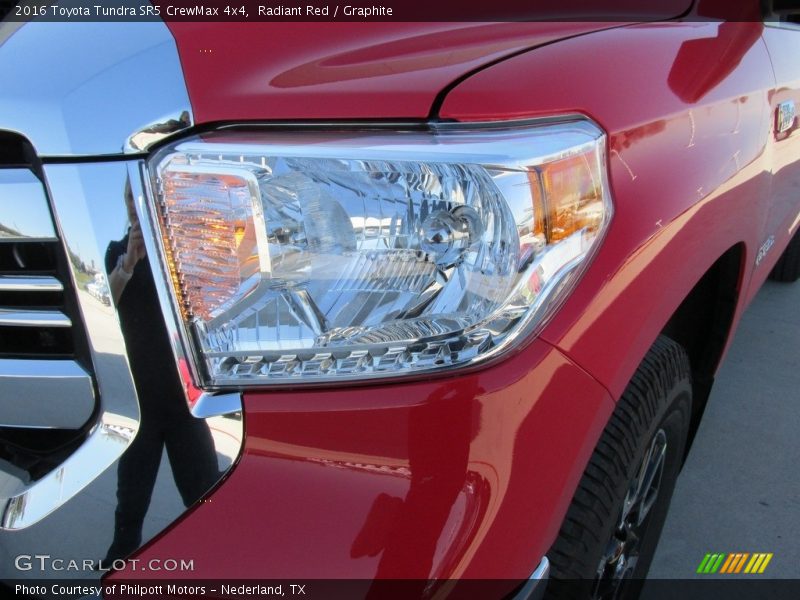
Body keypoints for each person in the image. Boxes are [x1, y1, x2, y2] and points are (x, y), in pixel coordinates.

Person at [103, 180, 220, 563]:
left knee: (205, 496)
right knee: (130, 502)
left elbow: (206, 310)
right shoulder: (116, 251)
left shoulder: (179, 255)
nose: (133, 204)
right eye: (127, 198)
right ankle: (118, 565)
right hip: (140, 405)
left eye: (138, 197)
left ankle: (215, 565)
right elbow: (107, 301)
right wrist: (129, 263)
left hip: (184, 403)